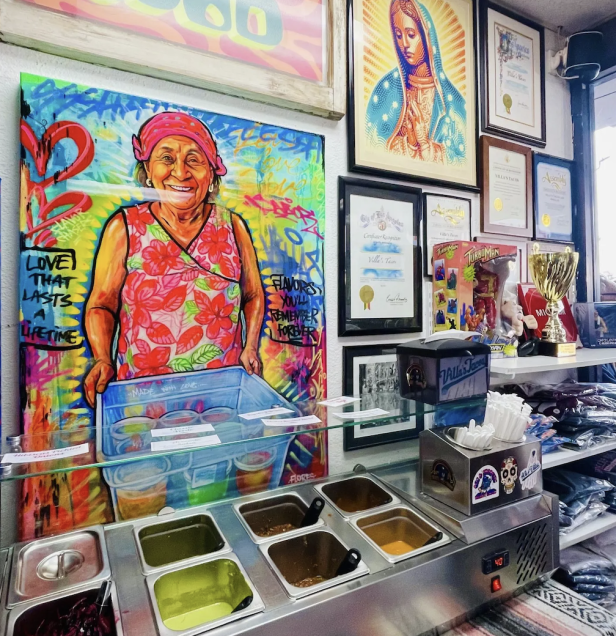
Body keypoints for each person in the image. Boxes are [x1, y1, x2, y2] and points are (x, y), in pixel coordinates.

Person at [83, 112, 264, 407]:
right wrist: (102, 358)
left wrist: (251, 346)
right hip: (143, 396)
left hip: (220, 392)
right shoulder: (124, 226)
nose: (180, 172)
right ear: (148, 169)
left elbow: (252, 294)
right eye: (166, 158)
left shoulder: (233, 226)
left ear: (211, 173)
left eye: (194, 160)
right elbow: (102, 304)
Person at [366, 0, 467, 164]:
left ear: (426, 37)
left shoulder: (451, 102)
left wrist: (425, 145)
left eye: (411, 35)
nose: (404, 44)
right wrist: (411, 144)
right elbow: (371, 147)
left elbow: (462, 162)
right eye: (399, 35)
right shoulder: (387, 89)